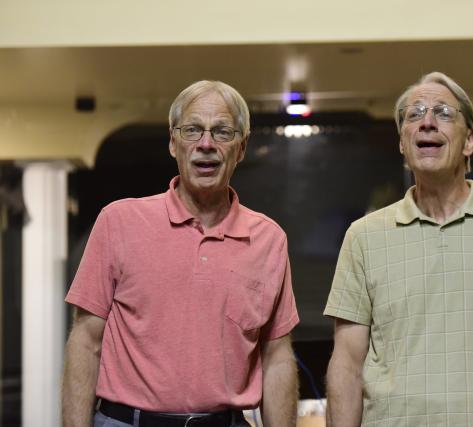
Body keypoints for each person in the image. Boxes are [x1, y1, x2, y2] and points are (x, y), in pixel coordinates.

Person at [324, 72, 473, 427]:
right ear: (402, 142)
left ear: (468, 140)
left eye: (443, 113)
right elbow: (347, 362)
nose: (427, 122)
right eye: (415, 114)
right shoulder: (363, 236)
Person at [62, 80, 299, 427]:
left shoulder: (269, 239)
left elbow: (276, 357)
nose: (206, 144)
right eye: (192, 130)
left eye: (222, 132)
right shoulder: (119, 222)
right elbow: (85, 341)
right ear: (173, 143)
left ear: (242, 147)